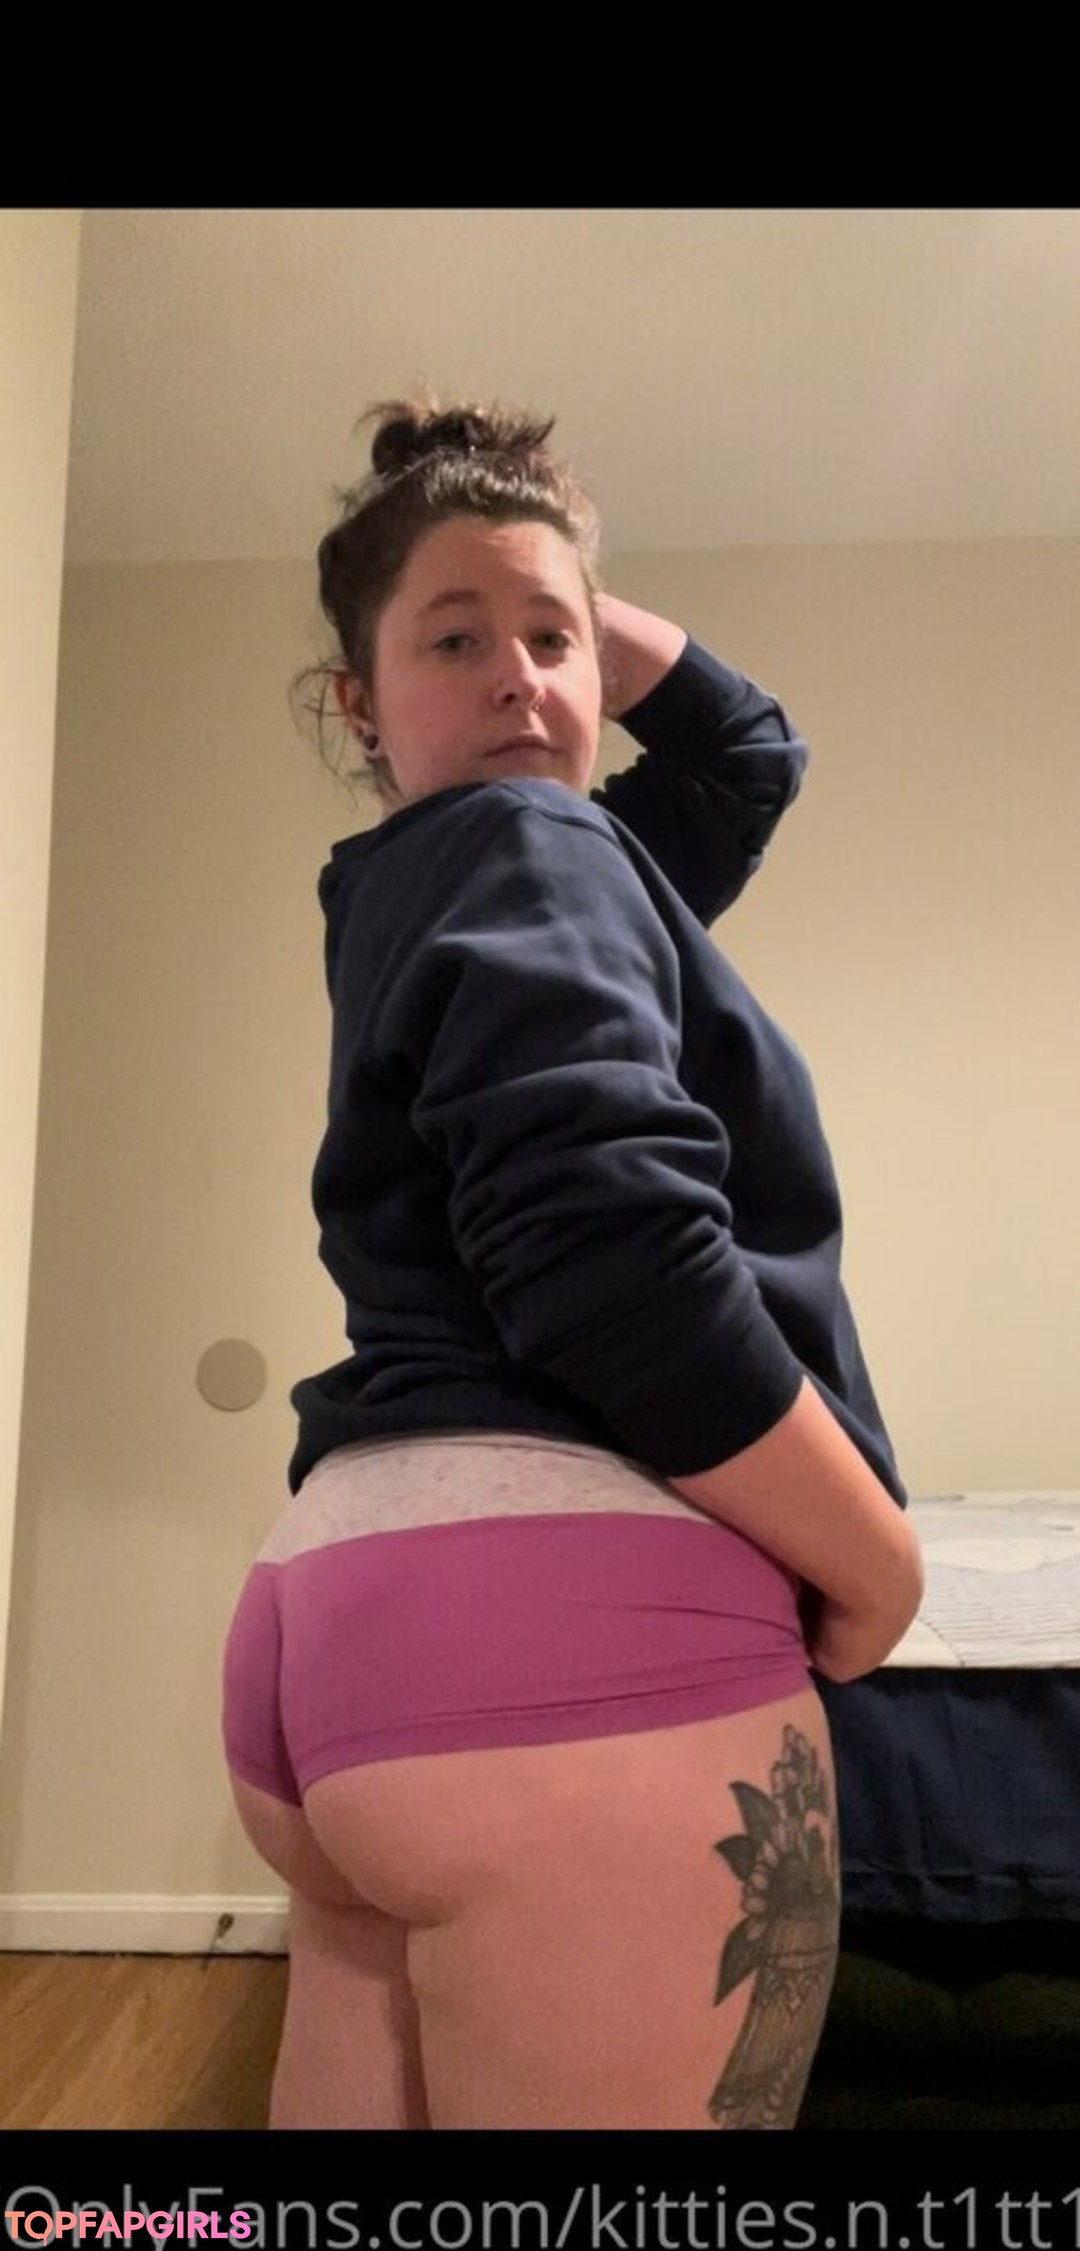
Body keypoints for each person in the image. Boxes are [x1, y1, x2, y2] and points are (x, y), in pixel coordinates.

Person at [222, 396, 922, 2131]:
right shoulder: (540, 848)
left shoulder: (430, 876)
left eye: (554, 643)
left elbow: (745, 758)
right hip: (561, 1641)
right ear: (355, 702)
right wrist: (877, 1559)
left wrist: (512, 578)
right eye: (454, 643)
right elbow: (607, 1255)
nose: (526, 681)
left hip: (335, 1615)